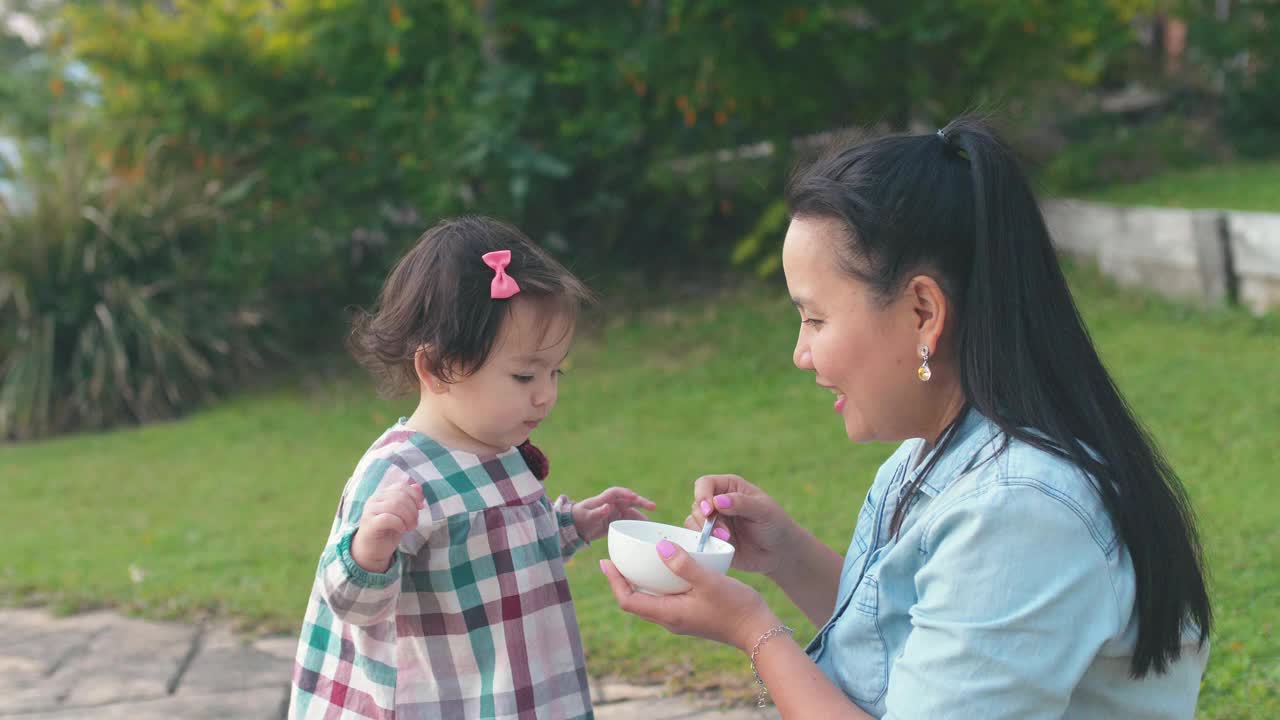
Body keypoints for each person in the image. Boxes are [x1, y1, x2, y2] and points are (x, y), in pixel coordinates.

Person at [600, 117, 1212, 719]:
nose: (800, 352)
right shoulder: (938, 453)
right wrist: (785, 555)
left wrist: (753, 631)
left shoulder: (1022, 509)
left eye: (814, 319)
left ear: (922, 311)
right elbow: (908, 631)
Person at [290, 216, 655, 719]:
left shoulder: (502, 448)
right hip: (446, 699)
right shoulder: (398, 472)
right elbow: (352, 605)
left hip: (521, 687)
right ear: (438, 368)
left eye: (555, 372)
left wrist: (575, 524)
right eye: (525, 374)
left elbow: (510, 548)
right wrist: (369, 549)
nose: (546, 394)